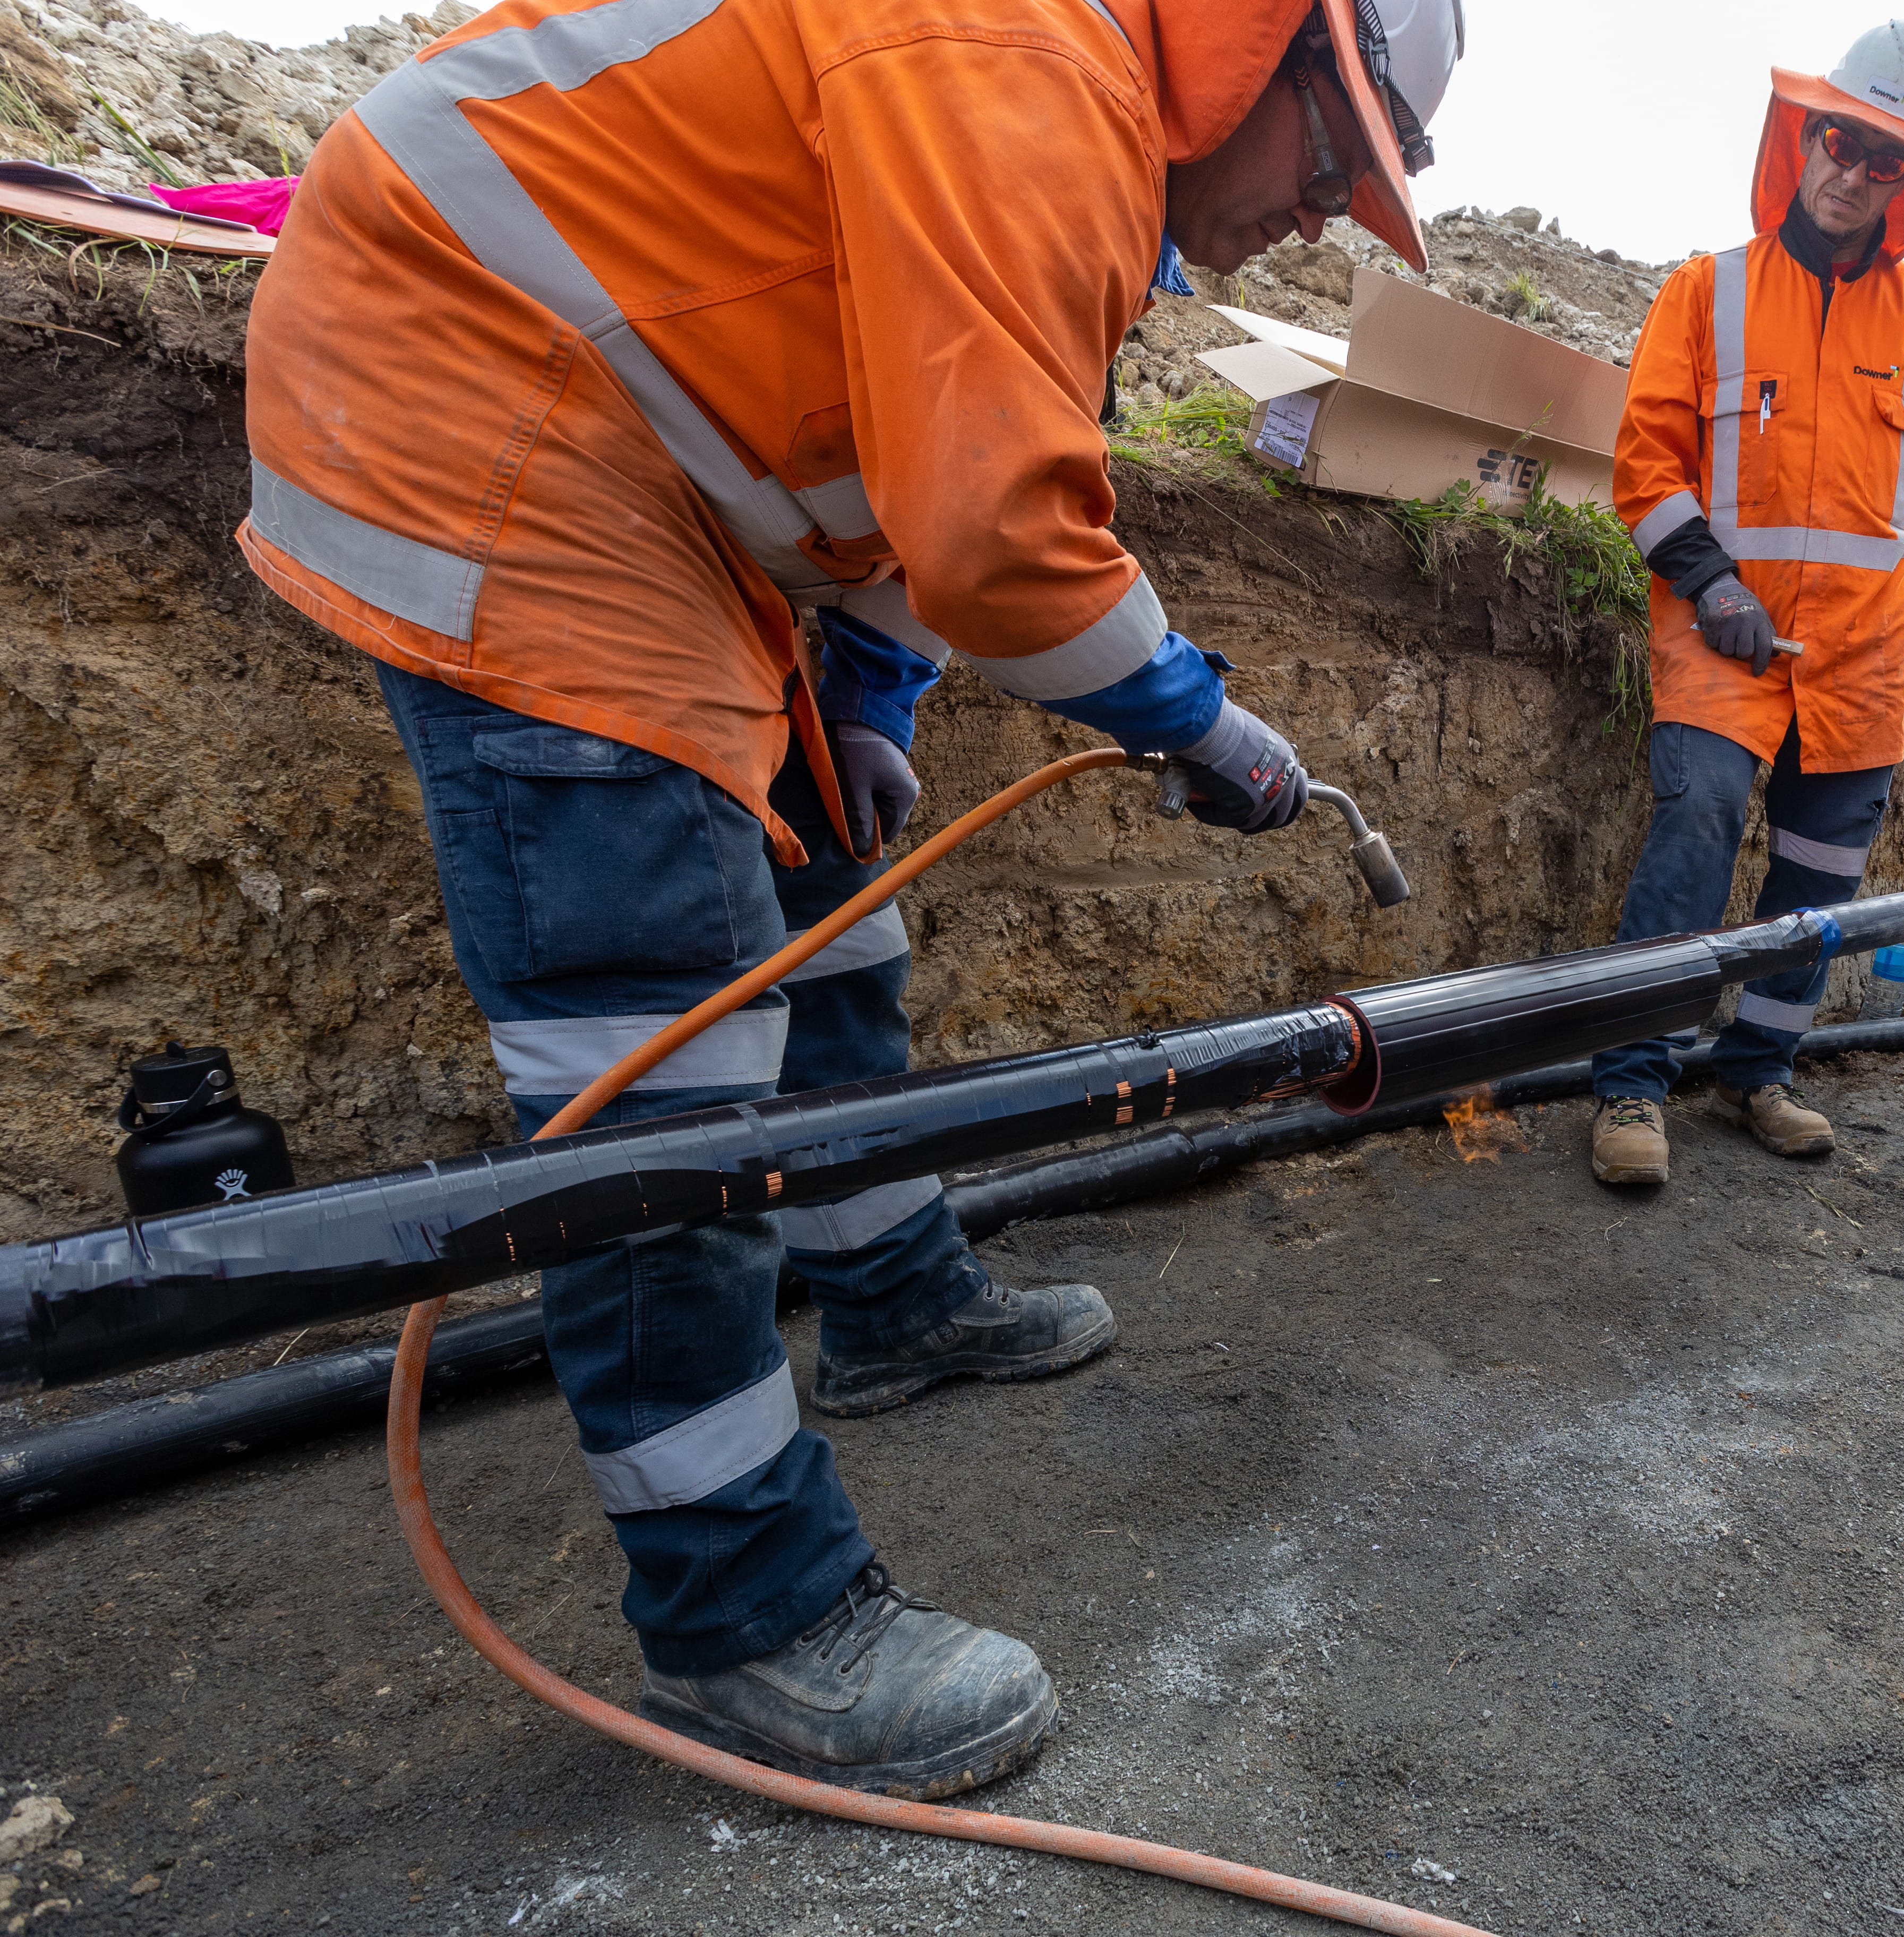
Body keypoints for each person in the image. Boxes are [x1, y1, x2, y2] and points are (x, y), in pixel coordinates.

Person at [237, 0, 1461, 1790]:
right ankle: (745, 1611)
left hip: (651, 460)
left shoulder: (1074, 135)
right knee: (662, 1059)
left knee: (836, 896)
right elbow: (996, 535)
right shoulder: (1031, 74)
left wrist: (874, 704)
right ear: (1251, 47)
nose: (1326, 208)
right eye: (1333, 151)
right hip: (493, 405)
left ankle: (886, 1292)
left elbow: (916, 450)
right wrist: (1203, 719)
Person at [1590, 19, 1904, 1187]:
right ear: (1803, 135)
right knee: (1698, 822)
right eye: (1840, 140)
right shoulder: (1705, 294)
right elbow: (1645, 471)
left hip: (1861, 656)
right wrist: (1713, 584)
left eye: (1884, 159)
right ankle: (1630, 1084)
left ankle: (1761, 1072)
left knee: (1820, 874)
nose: (1852, 173)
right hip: (1722, 635)